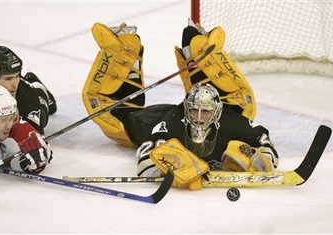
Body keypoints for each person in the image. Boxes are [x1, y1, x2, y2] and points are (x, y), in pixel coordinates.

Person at [81, 22, 279, 190]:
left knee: (241, 106)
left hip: (205, 114)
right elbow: (144, 157)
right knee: (112, 118)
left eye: (206, 112)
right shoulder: (172, 124)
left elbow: (265, 143)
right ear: (186, 108)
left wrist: (256, 160)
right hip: (150, 119)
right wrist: (169, 169)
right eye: (194, 110)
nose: (199, 117)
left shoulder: (231, 121)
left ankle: (197, 47)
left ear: (217, 112)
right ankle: (121, 48)